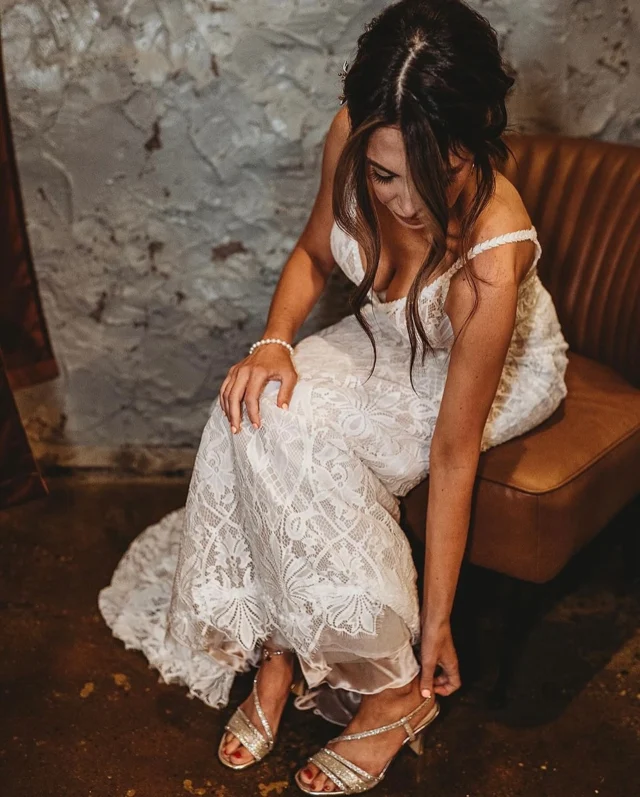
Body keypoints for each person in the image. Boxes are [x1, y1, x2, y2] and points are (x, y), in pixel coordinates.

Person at [98, 0, 570, 794]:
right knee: (249, 409)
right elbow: (314, 255)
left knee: (311, 446)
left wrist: (434, 628)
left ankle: (393, 690)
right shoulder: (350, 133)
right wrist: (274, 342)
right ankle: (282, 649)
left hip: (491, 367)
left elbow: (453, 457)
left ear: (473, 142)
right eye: (385, 175)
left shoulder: (494, 251)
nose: (405, 203)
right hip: (393, 332)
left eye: (433, 174)